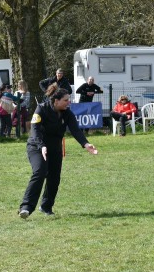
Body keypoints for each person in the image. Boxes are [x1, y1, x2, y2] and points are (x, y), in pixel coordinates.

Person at [18, 84, 98, 219]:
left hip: (55, 148)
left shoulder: (68, 113)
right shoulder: (41, 109)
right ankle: (26, 207)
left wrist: (85, 144)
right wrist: (41, 145)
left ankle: (46, 207)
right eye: (66, 100)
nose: (69, 102)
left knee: (54, 177)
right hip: (37, 147)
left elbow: (75, 130)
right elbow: (35, 130)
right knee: (40, 172)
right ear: (56, 101)